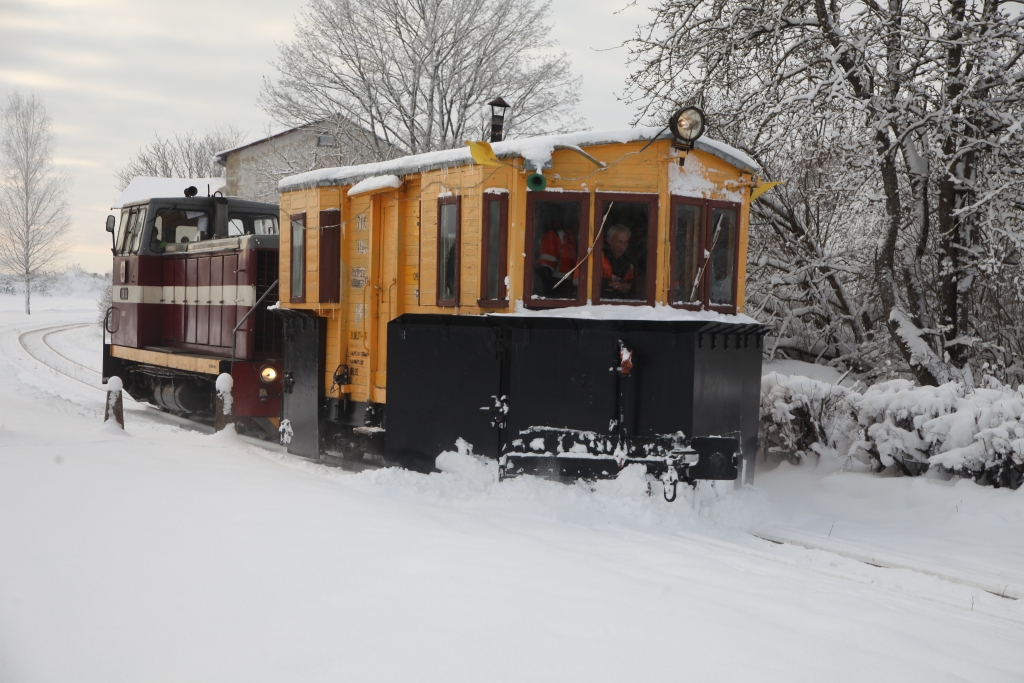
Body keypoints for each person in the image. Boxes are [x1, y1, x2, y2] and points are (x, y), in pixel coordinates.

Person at [536, 222, 578, 297]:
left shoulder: (571, 236)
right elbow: (544, 269)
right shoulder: (553, 235)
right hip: (555, 290)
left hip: (566, 289)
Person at [601, 224, 635, 299]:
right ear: (609, 240)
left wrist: (627, 287)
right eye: (619, 241)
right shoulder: (598, 256)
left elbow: (633, 285)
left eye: (626, 242)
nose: (623, 246)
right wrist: (609, 284)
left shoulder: (630, 262)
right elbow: (582, 280)